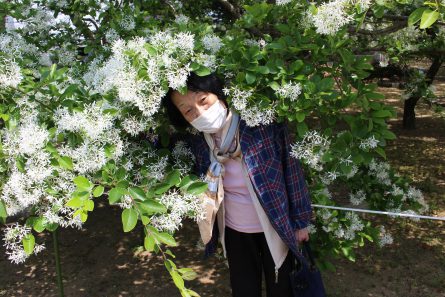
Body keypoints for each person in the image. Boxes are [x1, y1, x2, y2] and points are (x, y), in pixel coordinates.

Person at [162, 72, 313, 297]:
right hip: (234, 230)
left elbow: (291, 169)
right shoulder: (198, 142)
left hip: (276, 225)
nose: (199, 112)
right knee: (243, 289)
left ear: (218, 92)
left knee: (281, 289)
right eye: (188, 110)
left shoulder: (260, 124)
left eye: (203, 100)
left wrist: (301, 221)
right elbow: (162, 148)